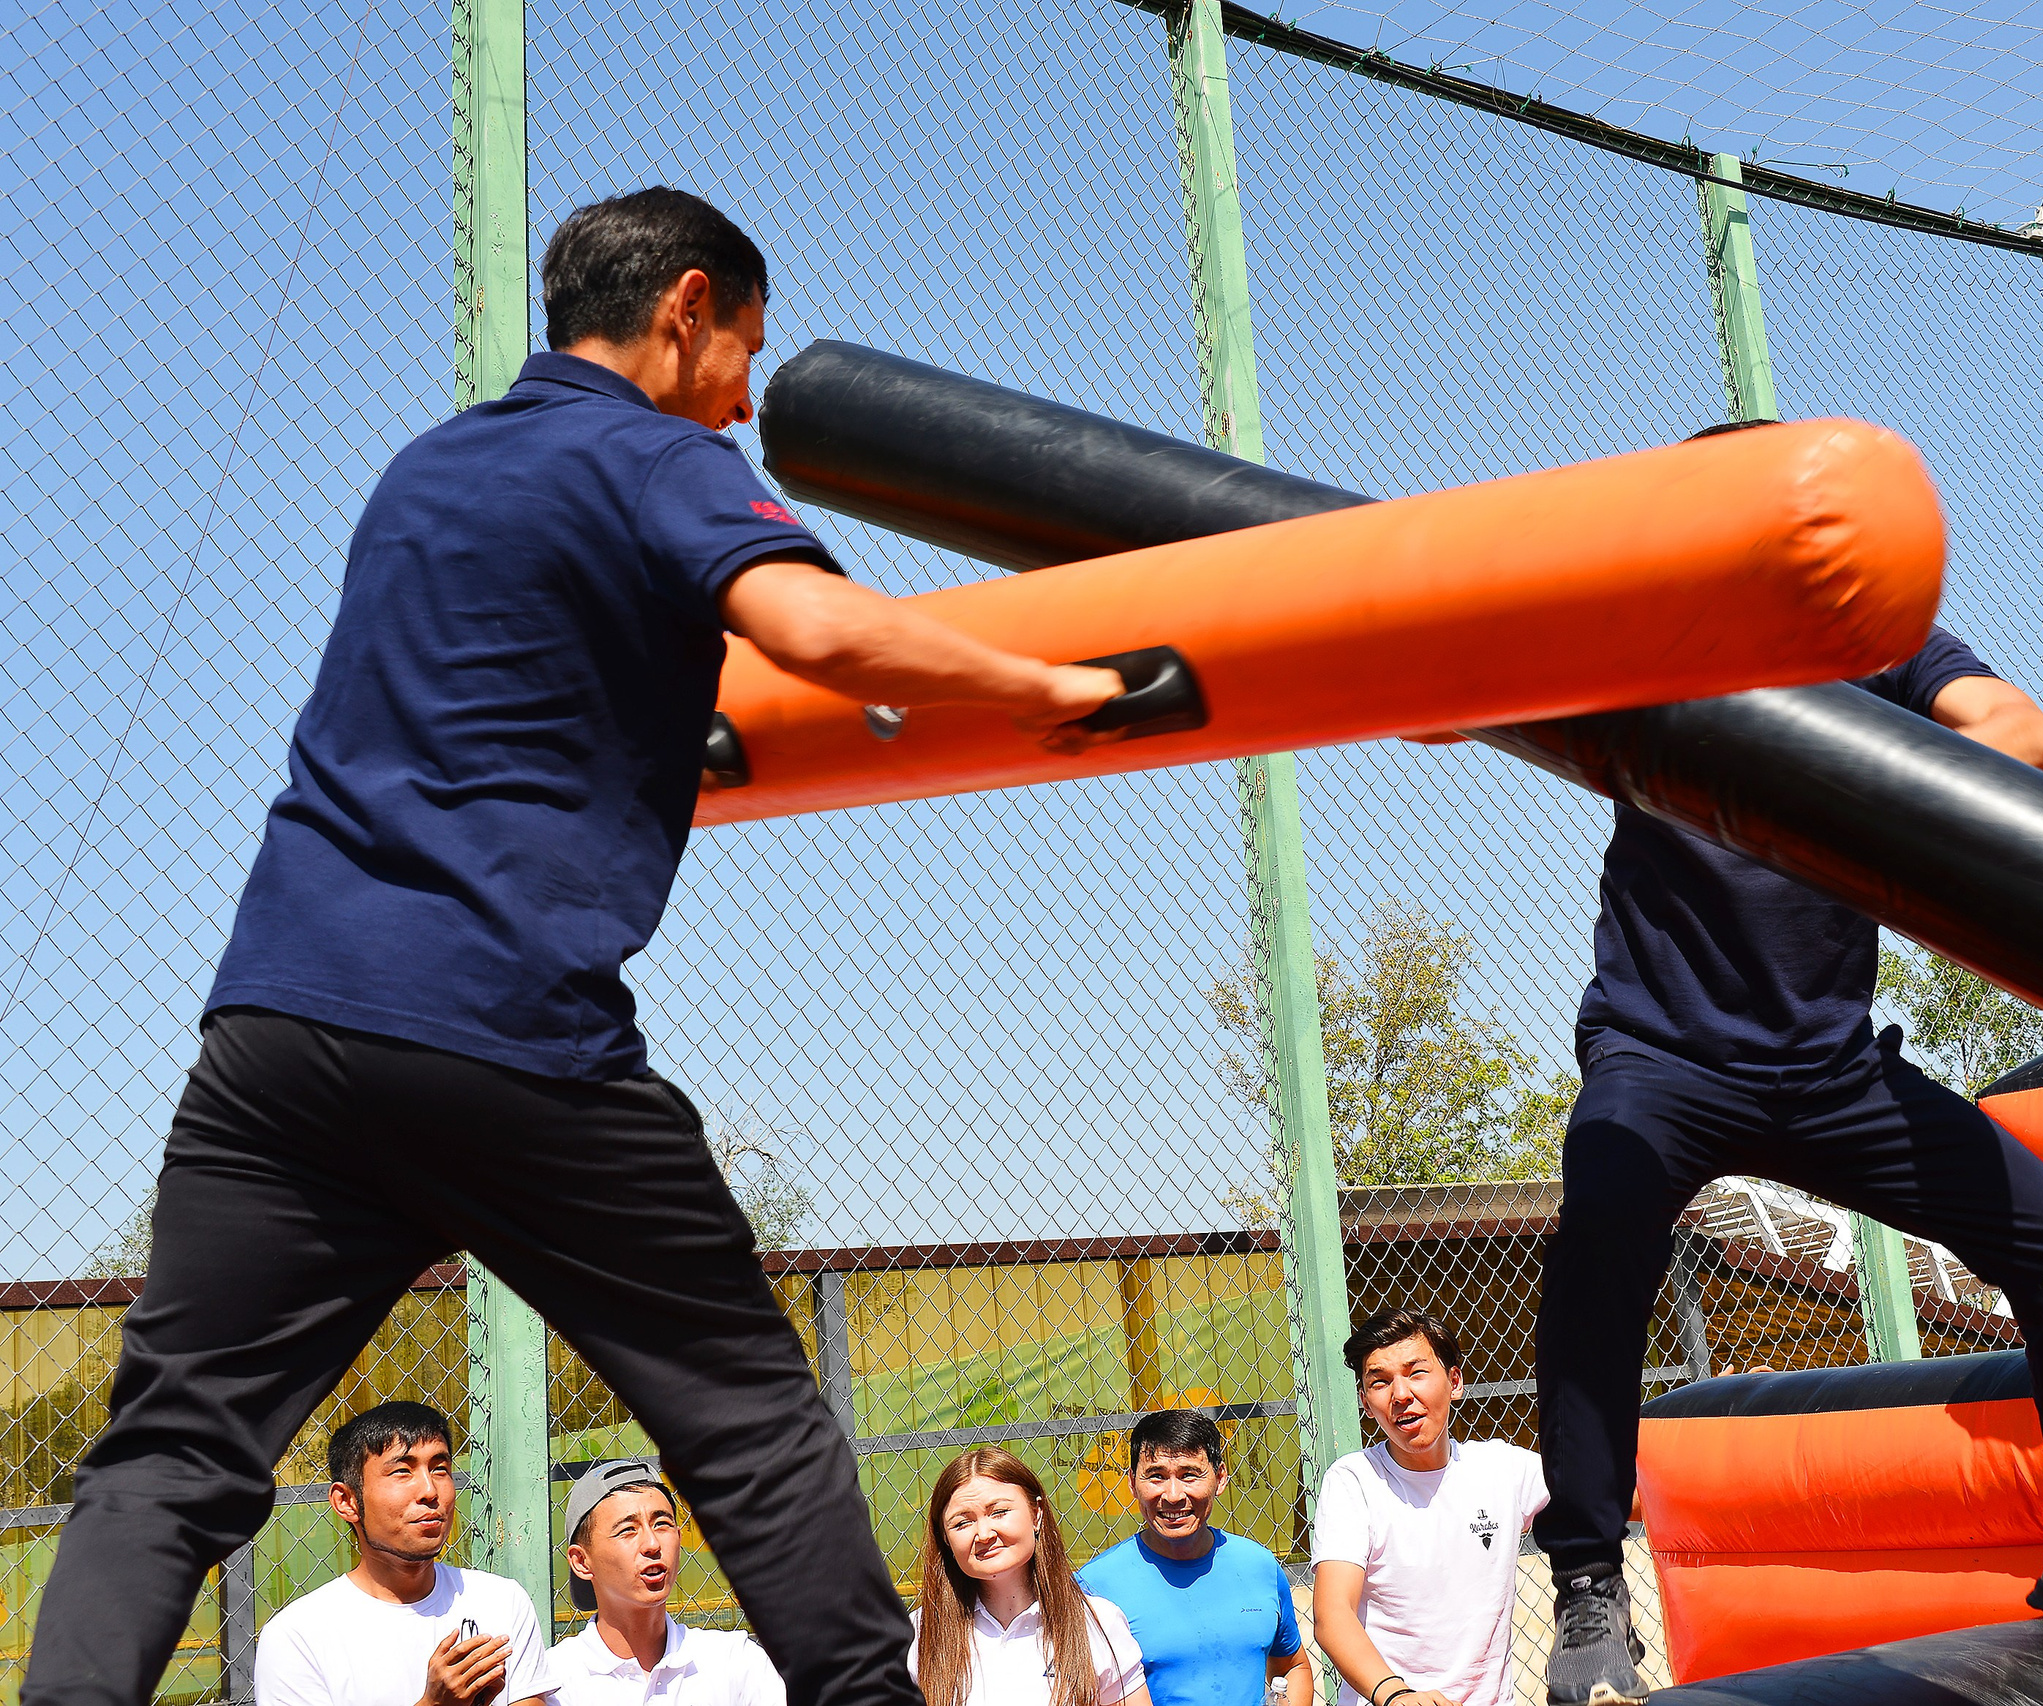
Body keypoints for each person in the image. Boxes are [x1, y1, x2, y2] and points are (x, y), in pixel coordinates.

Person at [23, 186, 1125, 1706]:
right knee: (745, 1412)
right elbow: (817, 627)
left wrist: (680, 737)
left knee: (170, 1451)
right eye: (743, 347)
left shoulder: (428, 468)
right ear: (683, 309)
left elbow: (514, 689)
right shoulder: (656, 453)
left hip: (278, 1028)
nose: (746, 393)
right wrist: (1036, 680)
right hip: (501, 1025)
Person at [1534, 628, 2043, 1706]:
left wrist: (1861, 762)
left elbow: (2027, 738)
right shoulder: (1652, 643)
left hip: (1833, 1072)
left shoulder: (1879, 654)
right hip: (1663, 1058)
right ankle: (1590, 1583)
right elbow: (1463, 694)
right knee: (1598, 1233)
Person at [1310, 1310, 1546, 1706]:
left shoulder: (1503, 1468)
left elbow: (1617, 1499)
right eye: (1380, 1382)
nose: (1400, 1395)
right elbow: (1332, 1615)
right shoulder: (1353, 1480)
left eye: (1416, 1372)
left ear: (1454, 1382)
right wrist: (1395, 1694)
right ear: (1367, 1403)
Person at [253, 1402, 556, 1706]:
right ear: (346, 1501)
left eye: (440, 1469)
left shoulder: (500, 1601)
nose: (429, 1491)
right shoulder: (298, 1637)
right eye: (402, 1471)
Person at [1079, 1410, 1312, 1706]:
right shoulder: (1095, 1587)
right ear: (1131, 1483)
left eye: (1189, 1474)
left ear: (1220, 1478)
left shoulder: (1259, 1566)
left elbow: (1292, 1665)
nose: (1173, 1495)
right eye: (1156, 1476)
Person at [909, 1448, 1149, 1706]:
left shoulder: (1099, 1622)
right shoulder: (917, 1636)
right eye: (962, 1523)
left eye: (999, 1512)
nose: (984, 1533)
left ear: (1036, 1514)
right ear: (945, 1538)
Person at [550, 1458, 785, 1706]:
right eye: (628, 1530)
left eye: (662, 1524)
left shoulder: (734, 1663)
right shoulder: (554, 1682)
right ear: (581, 1562)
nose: (652, 1545)